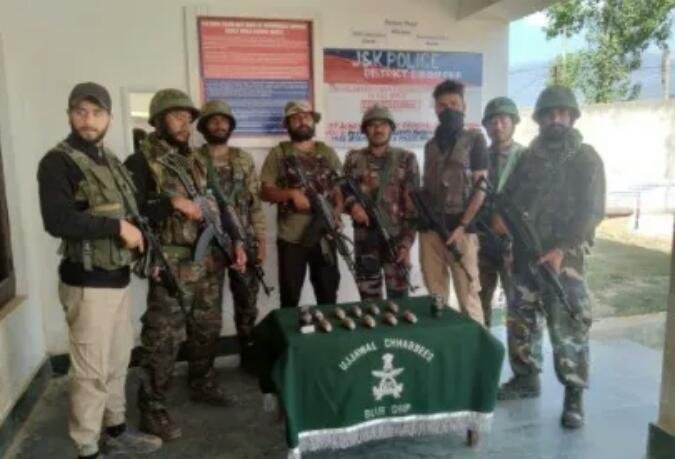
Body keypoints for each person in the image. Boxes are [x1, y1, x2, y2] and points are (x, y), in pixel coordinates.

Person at [37, 82, 161, 458]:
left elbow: (132, 212)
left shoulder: (109, 160)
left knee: (118, 361)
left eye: (96, 113)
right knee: (90, 373)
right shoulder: (57, 162)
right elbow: (57, 220)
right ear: (69, 115)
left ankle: (116, 430)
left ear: (109, 117)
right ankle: (87, 447)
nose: (88, 120)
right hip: (87, 284)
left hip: (116, 279)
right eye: (81, 112)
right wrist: (116, 227)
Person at [124, 88, 246, 441]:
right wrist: (172, 203)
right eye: (177, 116)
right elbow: (132, 213)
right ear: (158, 119)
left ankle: (202, 382)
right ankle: (153, 407)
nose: (185, 123)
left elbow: (220, 203)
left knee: (207, 327)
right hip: (172, 264)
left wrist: (237, 241)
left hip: (208, 260)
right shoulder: (141, 161)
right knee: (163, 337)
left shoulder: (195, 159)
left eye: (188, 117)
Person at [495, 85, 605, 429]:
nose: (555, 119)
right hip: (525, 254)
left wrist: (562, 250)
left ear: (571, 117)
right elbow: (507, 199)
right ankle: (526, 378)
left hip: (564, 259)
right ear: (540, 119)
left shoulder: (585, 158)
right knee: (520, 320)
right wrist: (508, 236)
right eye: (549, 114)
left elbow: (592, 211)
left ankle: (574, 395)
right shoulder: (527, 158)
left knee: (568, 325)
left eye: (562, 113)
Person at [196, 99, 266, 371]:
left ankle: (249, 358)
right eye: (213, 120)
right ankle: (203, 372)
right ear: (204, 127)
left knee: (247, 305)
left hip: (244, 242)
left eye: (224, 120)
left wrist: (261, 242)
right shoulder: (193, 160)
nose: (219, 124)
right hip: (207, 245)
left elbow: (255, 205)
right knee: (207, 312)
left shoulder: (243, 159)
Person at [260, 100, 343, 308]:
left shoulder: (327, 152)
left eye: (306, 117)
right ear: (288, 125)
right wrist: (290, 194)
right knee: (290, 297)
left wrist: (337, 213)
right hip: (291, 238)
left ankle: (325, 328)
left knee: (328, 295)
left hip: (324, 235)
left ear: (313, 121)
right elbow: (265, 191)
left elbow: (339, 189)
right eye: (295, 119)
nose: (302, 121)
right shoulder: (279, 153)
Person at [419, 79, 488, 325]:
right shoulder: (430, 146)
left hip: (462, 233)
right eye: (442, 105)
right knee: (436, 298)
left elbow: (481, 189)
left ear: (464, 107)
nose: (448, 109)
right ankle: (442, 344)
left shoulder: (475, 140)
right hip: (431, 233)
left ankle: (477, 346)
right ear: (436, 109)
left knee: (468, 299)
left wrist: (462, 226)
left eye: (454, 104)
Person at [343, 104, 419, 299]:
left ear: (391, 128)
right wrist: (353, 206)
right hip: (365, 242)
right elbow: (342, 190)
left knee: (399, 301)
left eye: (383, 124)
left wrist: (406, 244)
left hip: (396, 241)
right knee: (369, 301)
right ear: (365, 130)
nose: (378, 129)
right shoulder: (353, 159)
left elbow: (413, 208)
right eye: (372, 125)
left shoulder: (406, 159)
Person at [476, 97, 524, 327]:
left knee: (518, 304)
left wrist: (510, 222)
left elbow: (534, 200)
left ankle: (520, 349)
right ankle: (481, 343)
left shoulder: (526, 158)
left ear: (513, 122)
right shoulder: (479, 158)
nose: (498, 126)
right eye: (492, 121)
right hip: (482, 241)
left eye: (504, 120)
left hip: (513, 244)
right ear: (486, 126)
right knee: (478, 301)